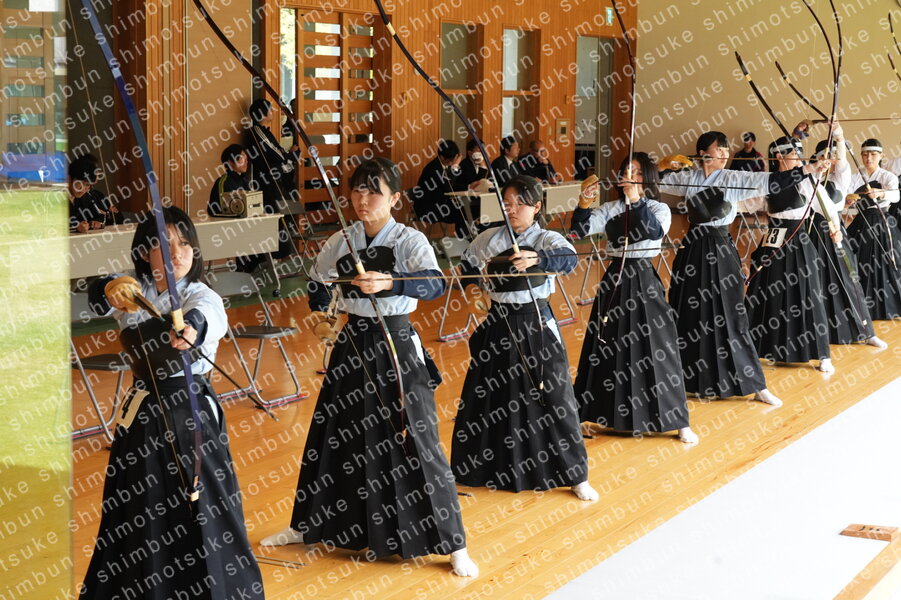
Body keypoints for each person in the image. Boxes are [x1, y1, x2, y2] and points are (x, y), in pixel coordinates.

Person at [261, 158, 479, 577]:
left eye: (374, 191)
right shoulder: (341, 240)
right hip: (352, 344)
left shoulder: (410, 240)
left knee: (417, 438)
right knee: (331, 435)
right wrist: (322, 309)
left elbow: (434, 283)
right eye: (357, 190)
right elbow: (318, 281)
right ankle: (305, 525)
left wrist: (391, 282)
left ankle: (455, 543)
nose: (363, 199)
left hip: (396, 344)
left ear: (395, 198)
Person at [78, 206, 264, 599]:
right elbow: (97, 296)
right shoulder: (135, 293)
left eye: (184, 244)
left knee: (202, 506)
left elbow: (206, 315)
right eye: (163, 245)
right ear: (145, 252)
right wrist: (109, 286)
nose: (176, 253)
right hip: (144, 412)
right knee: (139, 509)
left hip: (189, 411)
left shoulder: (201, 295)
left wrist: (191, 327)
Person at [450, 174, 598, 500]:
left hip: (535, 322)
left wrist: (538, 258)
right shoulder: (489, 238)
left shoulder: (546, 238)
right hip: (498, 321)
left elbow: (569, 259)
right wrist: (473, 290)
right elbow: (468, 263)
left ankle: (575, 474)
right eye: (507, 203)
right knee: (488, 395)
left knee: (554, 395)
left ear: (537, 206)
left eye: (520, 203)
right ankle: (478, 469)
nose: (513, 209)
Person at [659, 129, 832, 405]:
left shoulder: (731, 178)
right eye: (719, 149)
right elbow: (657, 182)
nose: (725, 154)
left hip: (720, 250)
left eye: (726, 149)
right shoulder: (688, 178)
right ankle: (683, 380)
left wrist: (808, 169)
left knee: (731, 315)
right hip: (692, 250)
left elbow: (769, 181)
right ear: (703, 153)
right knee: (687, 311)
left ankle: (756, 384)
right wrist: (662, 165)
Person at [571, 154, 697, 444]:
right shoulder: (610, 208)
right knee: (605, 346)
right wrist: (583, 204)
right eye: (627, 172)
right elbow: (579, 231)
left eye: (638, 173)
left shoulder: (658, 208)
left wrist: (636, 200)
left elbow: (653, 231)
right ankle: (586, 413)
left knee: (660, 347)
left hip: (643, 277)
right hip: (615, 279)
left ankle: (678, 420)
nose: (631, 177)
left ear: (648, 178)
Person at [744, 136, 834, 371]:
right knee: (765, 294)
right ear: (779, 157)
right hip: (773, 242)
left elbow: (827, 207)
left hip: (798, 242)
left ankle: (822, 354)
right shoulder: (769, 182)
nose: (800, 159)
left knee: (808, 295)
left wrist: (834, 226)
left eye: (800, 154)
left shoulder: (806, 181)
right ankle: (755, 349)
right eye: (795, 155)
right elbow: (746, 203)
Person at [808, 133, 886, 347]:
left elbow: (842, 165)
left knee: (849, 280)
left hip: (836, 233)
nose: (831, 161)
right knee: (816, 283)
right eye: (826, 157)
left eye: (834, 156)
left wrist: (839, 137)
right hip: (813, 233)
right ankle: (818, 335)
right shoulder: (810, 179)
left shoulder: (841, 179)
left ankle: (866, 331)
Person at [846, 138, 901, 319]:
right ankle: (861, 307)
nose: (868, 158)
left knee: (886, 263)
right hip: (861, 222)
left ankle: (889, 307)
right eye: (865, 154)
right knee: (856, 260)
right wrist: (848, 200)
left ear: (881, 155)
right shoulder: (855, 177)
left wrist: (881, 193)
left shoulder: (887, 176)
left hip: (881, 221)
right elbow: (846, 196)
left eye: (873, 154)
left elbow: (896, 195)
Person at [412, 139, 474, 238]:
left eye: (454, 160)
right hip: (428, 208)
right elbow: (448, 187)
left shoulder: (445, 165)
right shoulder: (433, 169)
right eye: (451, 161)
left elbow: (454, 185)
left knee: (465, 210)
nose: (452, 162)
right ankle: (465, 240)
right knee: (461, 212)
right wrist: (455, 166)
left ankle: (467, 239)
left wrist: (469, 186)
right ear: (441, 157)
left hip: (440, 203)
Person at [68, 154, 118, 232]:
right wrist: (76, 227)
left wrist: (96, 223)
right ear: (69, 179)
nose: (83, 189)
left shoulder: (86, 197)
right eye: (80, 183)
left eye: (87, 185)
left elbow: (100, 216)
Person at [208, 144, 253, 218]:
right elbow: (222, 210)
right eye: (242, 158)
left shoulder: (245, 181)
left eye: (246, 159)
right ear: (230, 162)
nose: (246, 162)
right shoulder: (223, 182)